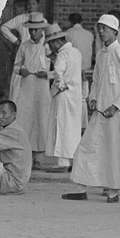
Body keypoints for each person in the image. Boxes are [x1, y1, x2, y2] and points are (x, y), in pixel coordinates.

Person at [66, 14, 120, 202]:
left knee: (114, 150)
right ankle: (80, 188)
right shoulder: (102, 54)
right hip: (101, 110)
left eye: (105, 29)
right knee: (87, 147)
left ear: (115, 31)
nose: (101, 32)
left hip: (117, 113)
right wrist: (92, 98)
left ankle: (113, 192)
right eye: (99, 28)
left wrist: (116, 106)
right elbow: (96, 80)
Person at [9, 12, 52, 164]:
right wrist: (20, 71)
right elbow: (15, 66)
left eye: (36, 29)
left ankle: (38, 156)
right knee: (25, 117)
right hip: (27, 84)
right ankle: (24, 153)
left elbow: (59, 70)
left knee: (41, 117)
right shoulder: (24, 45)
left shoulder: (48, 45)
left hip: (42, 86)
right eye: (31, 30)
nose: (33, 32)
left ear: (42, 29)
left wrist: (47, 74)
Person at [44, 23, 83, 170]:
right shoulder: (76, 52)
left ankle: (63, 162)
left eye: (50, 44)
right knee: (72, 127)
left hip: (64, 94)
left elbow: (58, 72)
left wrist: (60, 85)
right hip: (75, 95)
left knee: (61, 126)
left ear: (55, 42)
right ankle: (73, 159)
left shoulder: (62, 54)